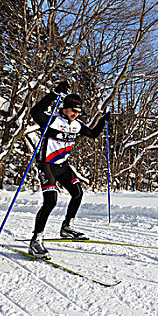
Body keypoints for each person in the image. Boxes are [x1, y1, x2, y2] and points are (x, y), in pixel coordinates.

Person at [28, 80, 110, 259]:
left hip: (62, 166)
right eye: (73, 110)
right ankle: (36, 240)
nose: (75, 114)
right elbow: (35, 112)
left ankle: (67, 227)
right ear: (65, 108)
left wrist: (103, 121)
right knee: (50, 200)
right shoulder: (53, 120)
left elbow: (94, 134)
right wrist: (54, 93)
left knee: (77, 193)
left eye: (78, 112)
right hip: (47, 164)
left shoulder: (77, 125)